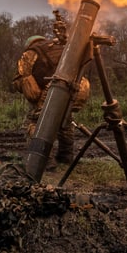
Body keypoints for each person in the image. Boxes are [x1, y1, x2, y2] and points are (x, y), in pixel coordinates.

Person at [12, 14, 90, 166]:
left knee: (36, 123)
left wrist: (32, 96)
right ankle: (65, 158)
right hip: (72, 90)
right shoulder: (62, 49)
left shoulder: (31, 53)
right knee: (65, 123)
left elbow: (24, 78)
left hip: (49, 91)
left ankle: (43, 160)